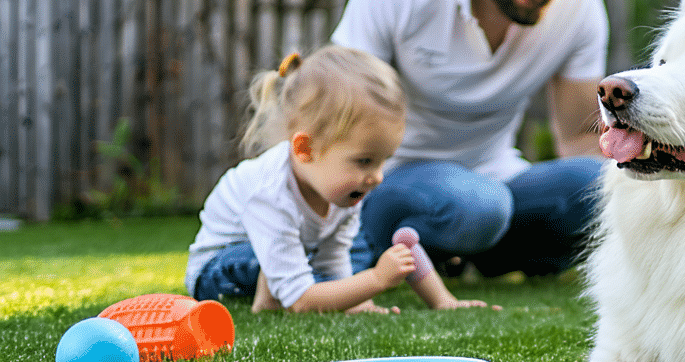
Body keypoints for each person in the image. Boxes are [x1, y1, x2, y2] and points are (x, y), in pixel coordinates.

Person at [331, 0, 608, 279]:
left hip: (498, 179)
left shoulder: (581, 3)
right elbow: (338, 121)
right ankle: (438, 251)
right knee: (477, 208)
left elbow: (578, 138)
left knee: (602, 187)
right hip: (393, 180)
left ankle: (474, 257)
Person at [185, 46, 492, 314]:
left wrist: (352, 299)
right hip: (219, 269)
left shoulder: (344, 189)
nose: (377, 177)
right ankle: (268, 297)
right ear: (305, 149)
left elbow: (333, 259)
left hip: (281, 253)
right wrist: (374, 280)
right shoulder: (270, 194)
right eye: (364, 161)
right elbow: (302, 301)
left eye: (383, 160)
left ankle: (270, 294)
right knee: (293, 271)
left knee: (316, 267)